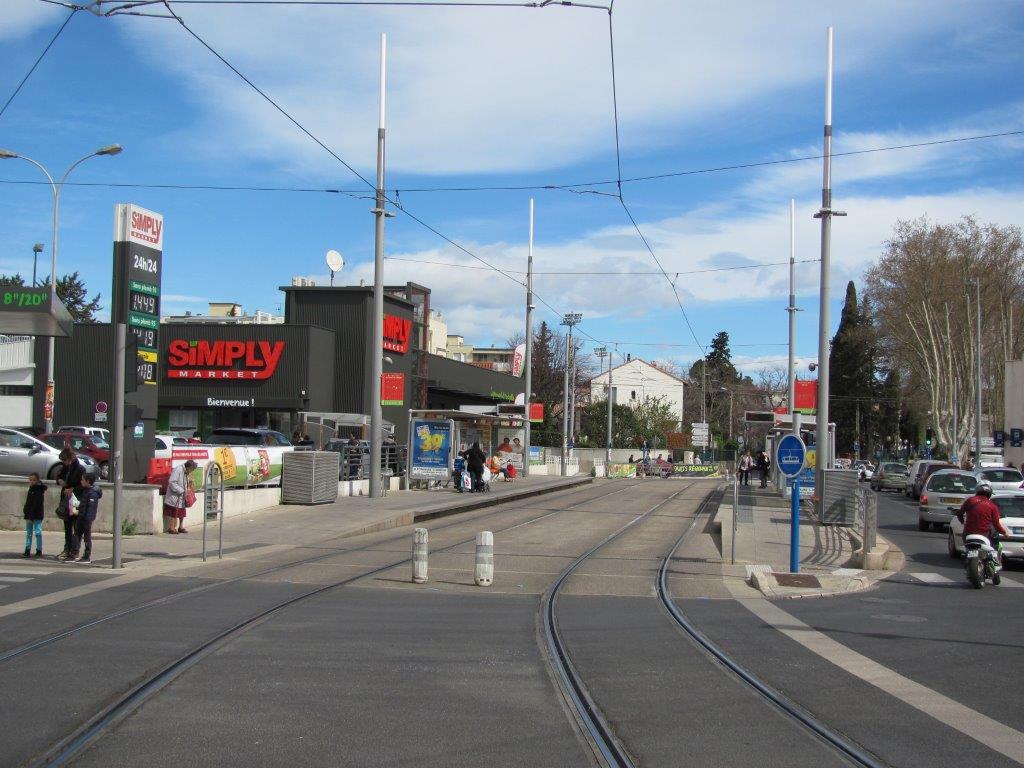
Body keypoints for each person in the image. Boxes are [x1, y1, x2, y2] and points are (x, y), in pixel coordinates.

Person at [956, 482, 1010, 563]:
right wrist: (1004, 533)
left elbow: (960, 514)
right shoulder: (992, 505)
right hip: (985, 535)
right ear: (990, 493)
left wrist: (962, 522)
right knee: (994, 544)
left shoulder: (970, 500)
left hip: (968, 534)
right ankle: (994, 560)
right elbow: (996, 524)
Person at [56, 449, 86, 561]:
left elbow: (83, 485)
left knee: (76, 527)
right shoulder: (65, 467)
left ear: (70, 458)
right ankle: (67, 549)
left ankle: (75, 550)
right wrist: (59, 480)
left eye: (65, 460)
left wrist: (72, 489)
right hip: (66, 500)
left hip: (75, 500)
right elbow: (58, 476)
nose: (64, 462)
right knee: (67, 526)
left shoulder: (80, 469)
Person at [67, 474, 102, 564]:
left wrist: (87, 519)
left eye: (82, 480)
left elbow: (91, 508)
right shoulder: (86, 490)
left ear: (88, 481)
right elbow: (83, 504)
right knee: (76, 535)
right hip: (81, 516)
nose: (81, 481)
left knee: (87, 537)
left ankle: (86, 556)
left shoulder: (93, 493)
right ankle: (74, 554)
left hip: (87, 518)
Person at [164, 460, 197, 534]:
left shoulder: (186, 471)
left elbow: (184, 482)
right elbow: (172, 482)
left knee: (182, 512)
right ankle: (172, 528)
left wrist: (190, 483)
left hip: (182, 495)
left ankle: (180, 527)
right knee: (174, 512)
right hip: (175, 495)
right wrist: (180, 490)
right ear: (189, 467)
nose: (192, 471)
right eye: (192, 469)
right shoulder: (178, 469)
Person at [22, 472, 46, 558]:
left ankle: (39, 550)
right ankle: (27, 549)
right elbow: (28, 502)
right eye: (30, 480)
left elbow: (37, 504)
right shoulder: (31, 489)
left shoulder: (39, 490)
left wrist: (31, 514)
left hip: (37, 514)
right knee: (29, 533)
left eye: (34, 480)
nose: (32, 482)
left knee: (38, 532)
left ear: (38, 480)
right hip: (29, 514)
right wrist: (26, 511)